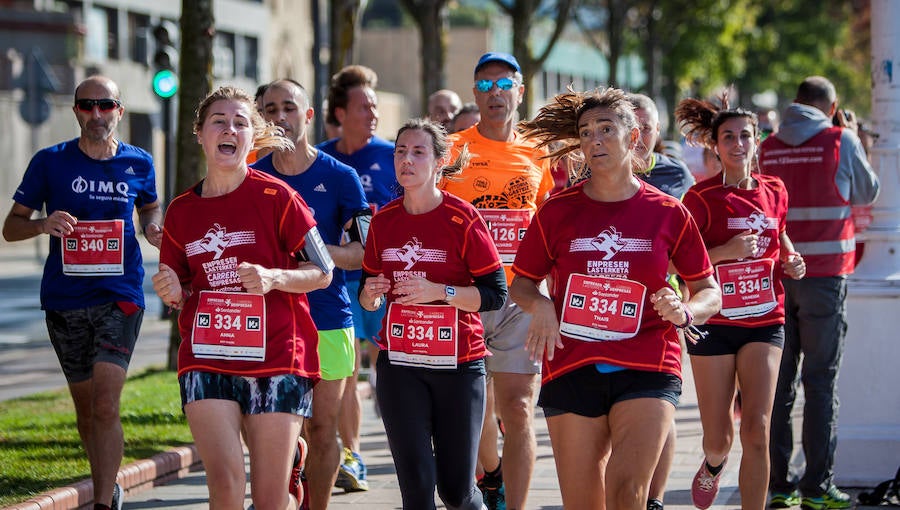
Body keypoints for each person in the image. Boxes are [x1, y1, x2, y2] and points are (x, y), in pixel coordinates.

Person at [510, 87, 721, 510]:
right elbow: (521, 283)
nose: (594, 140)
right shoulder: (556, 210)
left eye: (606, 129)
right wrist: (543, 305)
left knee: (628, 494)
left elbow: (709, 291)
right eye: (586, 132)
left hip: (647, 359)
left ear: (634, 137)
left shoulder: (667, 211)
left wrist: (684, 311)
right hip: (572, 360)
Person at [152, 86, 333, 510]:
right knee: (227, 485)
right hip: (207, 354)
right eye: (219, 121)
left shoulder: (279, 198)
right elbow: (178, 283)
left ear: (253, 137)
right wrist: (172, 290)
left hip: (276, 355)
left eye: (240, 122)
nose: (229, 129)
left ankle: (288, 470)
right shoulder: (181, 211)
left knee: (270, 501)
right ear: (200, 134)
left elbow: (322, 272)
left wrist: (273, 277)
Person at [2, 75, 161, 510]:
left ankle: (104, 503)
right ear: (75, 111)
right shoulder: (49, 162)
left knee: (107, 404)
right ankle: (104, 480)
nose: (96, 114)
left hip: (120, 293)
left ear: (119, 111)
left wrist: (151, 225)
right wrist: (41, 224)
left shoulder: (139, 162)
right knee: (87, 409)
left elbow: (149, 203)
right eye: (87, 106)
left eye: (105, 106)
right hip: (65, 299)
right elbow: (10, 227)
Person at [358, 118, 508, 509]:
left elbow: (494, 294)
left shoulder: (462, 218)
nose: (406, 160)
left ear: (440, 162)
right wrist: (371, 296)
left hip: (458, 364)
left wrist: (440, 293)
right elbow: (368, 291)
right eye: (400, 152)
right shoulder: (384, 221)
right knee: (417, 487)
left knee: (456, 490)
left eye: (418, 152)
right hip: (400, 363)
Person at [675, 93, 806, 510]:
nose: (737, 144)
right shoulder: (700, 198)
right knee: (719, 437)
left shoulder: (776, 189)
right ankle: (713, 465)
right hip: (713, 321)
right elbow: (681, 264)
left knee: (757, 428)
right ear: (716, 145)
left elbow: (778, 231)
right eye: (728, 136)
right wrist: (725, 252)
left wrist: (791, 256)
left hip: (766, 318)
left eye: (745, 136)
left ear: (757, 140)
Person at [439, 51, 556, 510]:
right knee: (477, 415)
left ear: (520, 93)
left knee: (520, 410)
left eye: (503, 85)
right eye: (485, 86)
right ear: (474, 93)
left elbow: (548, 218)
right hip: (466, 295)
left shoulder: (539, 150)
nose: (495, 94)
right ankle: (491, 474)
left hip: (520, 295)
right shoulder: (451, 149)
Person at [759, 76, 880, 510]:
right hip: (826, 279)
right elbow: (868, 193)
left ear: (794, 104)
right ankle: (816, 488)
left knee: (778, 383)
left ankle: (779, 486)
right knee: (820, 382)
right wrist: (851, 137)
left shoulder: (767, 146)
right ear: (832, 108)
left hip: (775, 278)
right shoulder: (839, 139)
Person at [252, 78, 371, 510]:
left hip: (327, 319)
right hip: (269, 322)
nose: (279, 117)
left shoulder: (341, 177)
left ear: (308, 115)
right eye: (269, 110)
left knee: (322, 430)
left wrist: (315, 254)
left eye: (288, 108)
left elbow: (363, 253)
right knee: (275, 429)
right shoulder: (252, 176)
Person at [318, 64, 398, 492]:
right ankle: (351, 456)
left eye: (375, 106)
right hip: (339, 277)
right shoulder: (321, 159)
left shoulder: (391, 156)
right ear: (339, 113)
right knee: (345, 370)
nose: (373, 114)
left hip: (388, 281)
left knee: (387, 365)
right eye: (364, 106)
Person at [629, 92, 694, 510]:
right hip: (603, 304)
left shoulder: (675, 174)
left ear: (656, 132)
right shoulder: (590, 171)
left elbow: (693, 240)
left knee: (660, 405)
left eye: (647, 129)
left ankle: (652, 498)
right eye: (630, 129)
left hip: (661, 303)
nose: (637, 139)